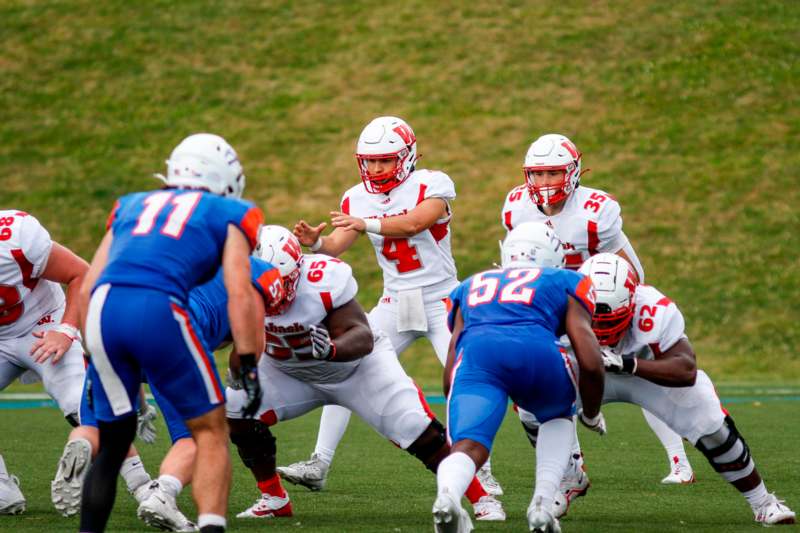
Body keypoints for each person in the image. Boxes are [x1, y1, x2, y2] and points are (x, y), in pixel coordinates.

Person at [226, 226, 504, 522]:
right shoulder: (237, 288)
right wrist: (239, 368)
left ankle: (481, 497)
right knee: (236, 404)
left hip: (358, 369)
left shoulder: (322, 280)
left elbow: (362, 335)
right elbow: (234, 343)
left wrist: (332, 349)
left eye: (278, 282)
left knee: (416, 428)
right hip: (289, 372)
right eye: (262, 284)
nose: (271, 292)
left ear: (297, 268)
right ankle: (274, 497)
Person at [286, 116, 501, 496]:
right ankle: (319, 461)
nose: (374, 168)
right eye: (368, 161)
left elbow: (414, 224)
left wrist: (364, 222)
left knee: (466, 382)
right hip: (394, 300)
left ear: (406, 156)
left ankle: (480, 473)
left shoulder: (431, 184)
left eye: (383, 160)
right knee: (346, 369)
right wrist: (316, 244)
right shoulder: (356, 197)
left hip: (441, 301)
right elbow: (337, 244)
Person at [76, 133, 265, 533]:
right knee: (210, 430)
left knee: (112, 445)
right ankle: (212, 527)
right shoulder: (229, 210)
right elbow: (238, 289)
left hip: (103, 310)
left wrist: (92, 356)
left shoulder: (130, 205)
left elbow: (90, 284)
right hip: (159, 308)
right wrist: (247, 361)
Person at [500, 133, 695, 516]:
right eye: (537, 174)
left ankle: (679, 460)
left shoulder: (596, 209)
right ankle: (571, 470)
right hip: (553, 307)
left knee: (647, 379)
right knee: (537, 391)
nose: (544, 184)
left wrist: (616, 313)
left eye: (554, 172)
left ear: (573, 172)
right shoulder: (515, 207)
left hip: (603, 304)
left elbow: (632, 271)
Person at [579, 253, 795, 526]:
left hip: (648, 371)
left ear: (632, 302)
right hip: (586, 367)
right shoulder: (559, 304)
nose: (599, 327)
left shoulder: (654, 308)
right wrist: (588, 409)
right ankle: (563, 481)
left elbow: (685, 369)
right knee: (536, 405)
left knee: (713, 426)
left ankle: (763, 502)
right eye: (592, 317)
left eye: (608, 318)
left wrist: (628, 364)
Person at [433, 222, 605, 533]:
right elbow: (590, 361)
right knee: (557, 419)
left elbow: (452, 358)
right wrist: (591, 413)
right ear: (554, 256)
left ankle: (448, 496)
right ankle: (541, 504)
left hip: (478, 357)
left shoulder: (472, 284)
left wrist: (458, 399)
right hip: (538, 352)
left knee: (468, 445)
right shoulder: (566, 279)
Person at [0, 209, 90, 516]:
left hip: (43, 324)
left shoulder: (15, 236)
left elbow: (81, 273)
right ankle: (2, 491)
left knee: (81, 405)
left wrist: (65, 331)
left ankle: (142, 484)